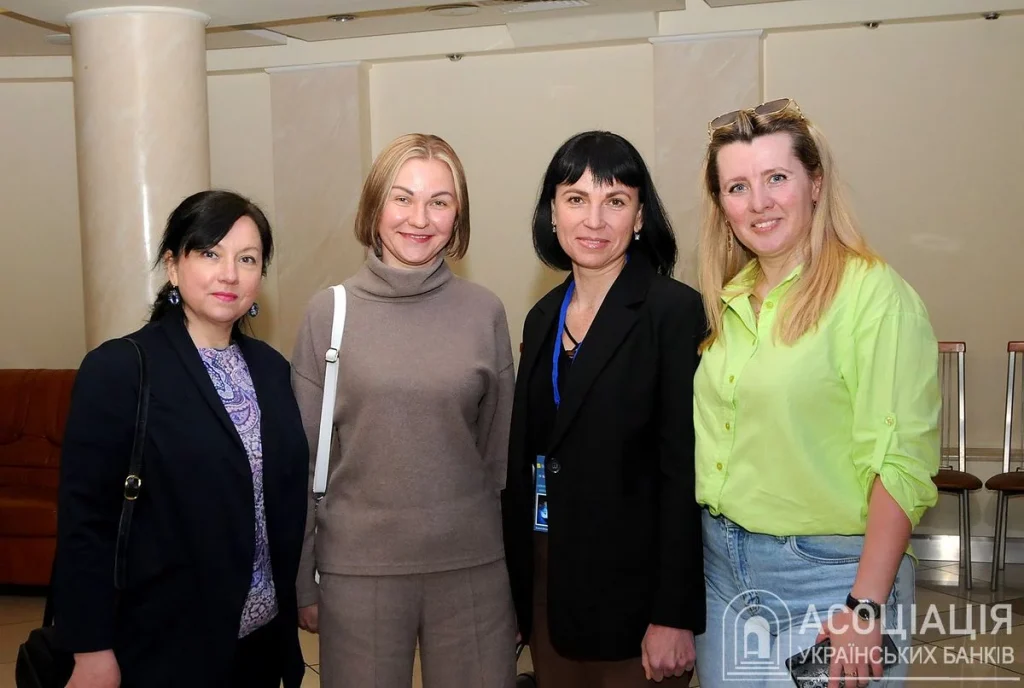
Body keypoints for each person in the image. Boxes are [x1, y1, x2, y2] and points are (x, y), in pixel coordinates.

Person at [691, 98, 940, 687]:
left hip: (833, 578)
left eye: (777, 178)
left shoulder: (874, 296)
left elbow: (900, 463)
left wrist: (865, 605)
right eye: (738, 187)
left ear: (816, 184)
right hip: (722, 575)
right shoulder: (728, 301)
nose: (759, 202)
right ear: (723, 208)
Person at [54, 190, 310, 688]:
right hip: (162, 646)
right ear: (173, 266)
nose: (229, 274)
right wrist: (91, 648)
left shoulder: (273, 370)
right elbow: (86, 521)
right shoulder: (121, 369)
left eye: (247, 259)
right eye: (210, 253)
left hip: (259, 643)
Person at [290, 133, 517, 688]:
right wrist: (302, 578)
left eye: (439, 201)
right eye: (403, 197)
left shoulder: (484, 312)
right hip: (358, 571)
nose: (420, 218)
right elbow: (304, 461)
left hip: (472, 568)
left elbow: (498, 458)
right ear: (375, 207)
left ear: (457, 217)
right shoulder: (328, 314)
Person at [502, 130, 707, 688]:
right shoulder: (542, 317)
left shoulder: (673, 312)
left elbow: (684, 471)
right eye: (576, 199)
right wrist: (519, 594)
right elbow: (528, 458)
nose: (593, 220)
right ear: (553, 213)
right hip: (550, 577)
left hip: (636, 596)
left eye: (615, 200)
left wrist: (673, 613)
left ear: (640, 216)